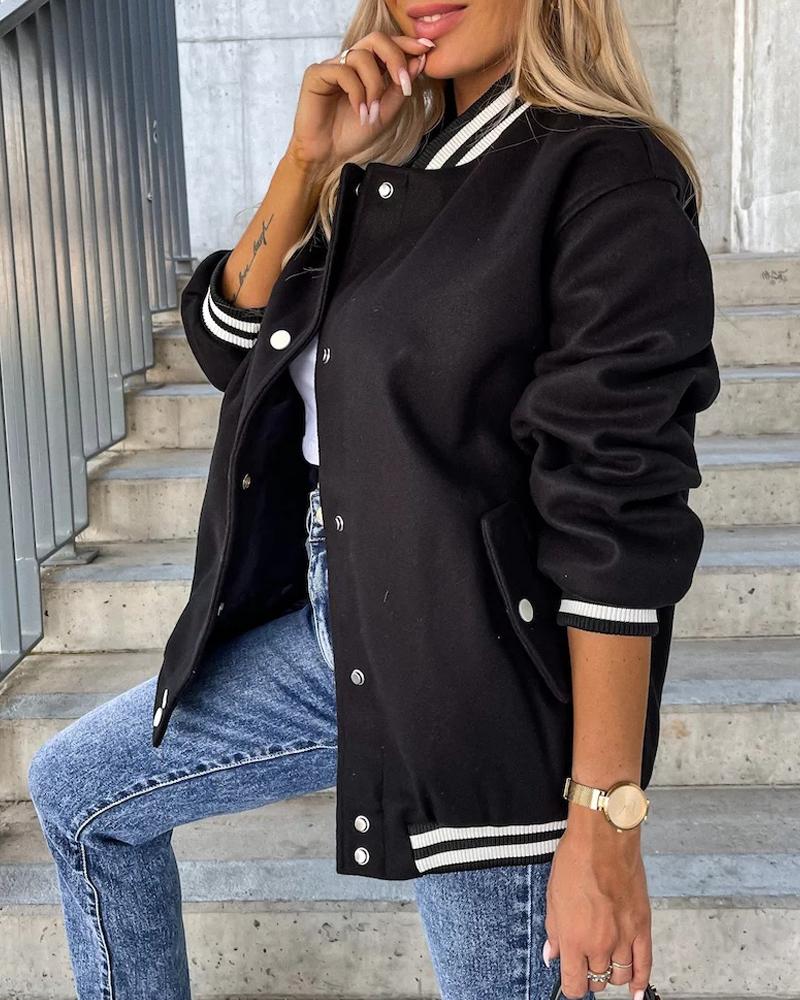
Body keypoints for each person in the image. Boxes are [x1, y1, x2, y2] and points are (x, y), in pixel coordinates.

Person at [27, 1, 720, 998]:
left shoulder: (604, 176)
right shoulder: (398, 172)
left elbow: (613, 515)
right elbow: (232, 345)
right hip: (342, 625)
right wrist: (306, 163)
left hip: (479, 687)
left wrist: (604, 817)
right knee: (80, 794)